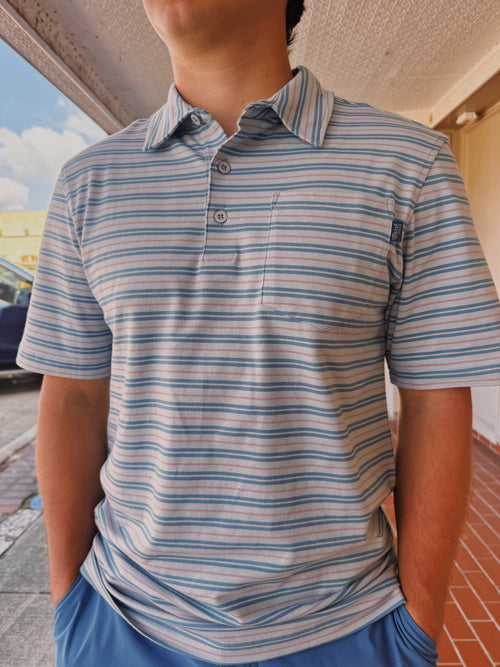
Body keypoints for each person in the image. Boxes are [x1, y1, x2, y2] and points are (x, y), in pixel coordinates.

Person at [17, 1, 500, 665]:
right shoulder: (88, 184)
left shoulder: (408, 167)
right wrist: (70, 602)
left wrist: (418, 620)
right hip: (121, 621)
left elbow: (435, 398)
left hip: (344, 630)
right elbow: (71, 394)